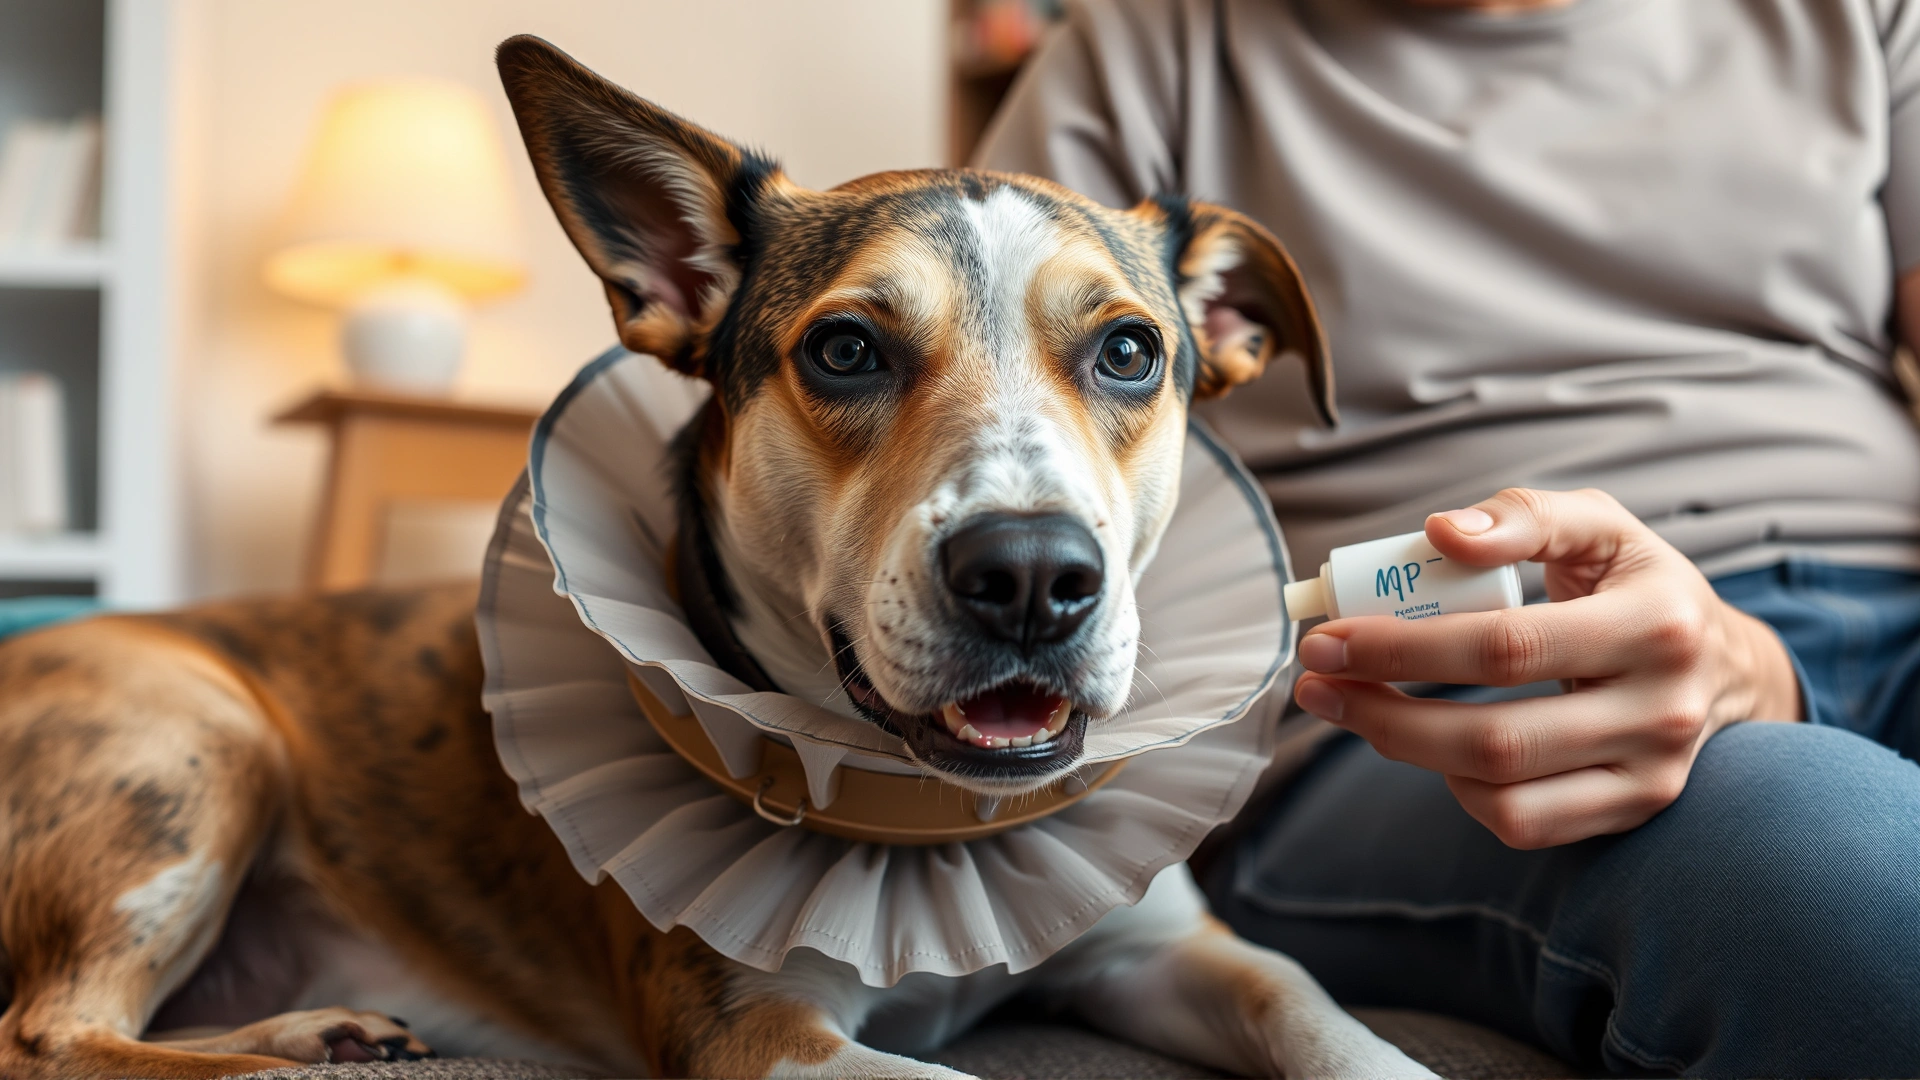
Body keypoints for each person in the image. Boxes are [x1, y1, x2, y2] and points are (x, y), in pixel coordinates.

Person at [976, 1, 1920, 1075]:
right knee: (1841, 871)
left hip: (1891, 614)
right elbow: (986, 448)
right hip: (1407, 713)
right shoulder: (1144, 57)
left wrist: (1756, 665)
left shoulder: (1869, 17)